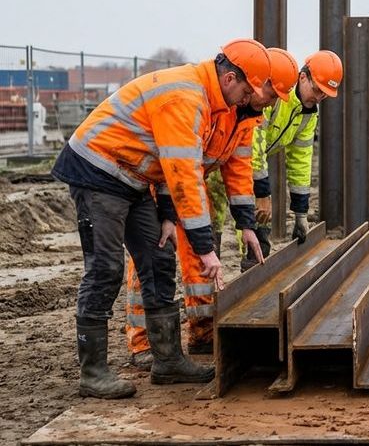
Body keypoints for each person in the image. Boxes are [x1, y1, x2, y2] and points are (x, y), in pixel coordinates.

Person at [51, 38, 271, 399]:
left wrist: (168, 215)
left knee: (157, 258)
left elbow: (172, 163)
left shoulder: (210, 103)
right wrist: (205, 248)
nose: (246, 100)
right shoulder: (185, 98)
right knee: (106, 268)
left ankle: (167, 361)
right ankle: (93, 373)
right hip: (98, 172)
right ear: (230, 78)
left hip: (134, 179)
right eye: (246, 91)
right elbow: (184, 174)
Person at [122, 45, 297, 368]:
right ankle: (142, 341)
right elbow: (181, 161)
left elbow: (239, 170)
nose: (272, 104)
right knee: (149, 257)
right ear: (259, 84)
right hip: (163, 180)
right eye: (272, 96)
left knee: (200, 257)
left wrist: (247, 225)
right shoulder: (221, 103)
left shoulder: (247, 117)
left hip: (192, 181)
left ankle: (202, 331)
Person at [245, 50, 342, 269]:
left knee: (257, 228)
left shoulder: (308, 115)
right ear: (302, 77)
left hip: (249, 162)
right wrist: (262, 194)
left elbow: (300, 161)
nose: (318, 98)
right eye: (317, 90)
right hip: (234, 158)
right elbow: (253, 145)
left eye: (324, 95)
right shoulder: (276, 96)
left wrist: (300, 214)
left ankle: (250, 273)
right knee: (218, 224)